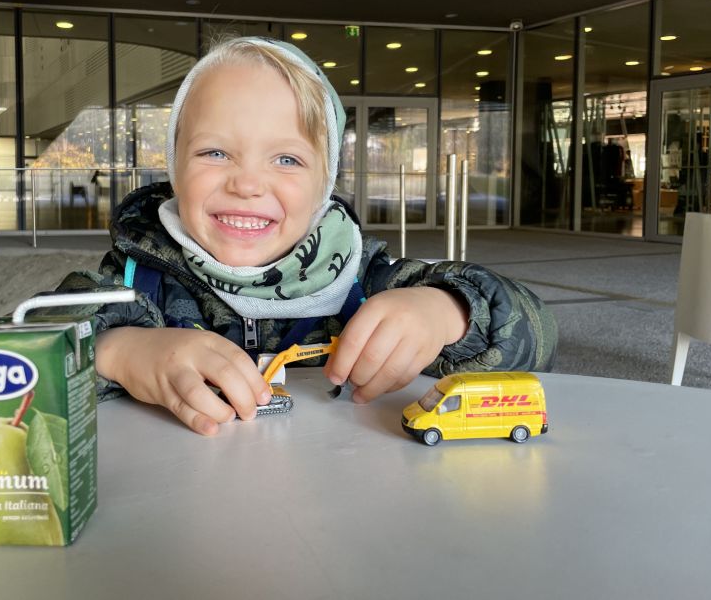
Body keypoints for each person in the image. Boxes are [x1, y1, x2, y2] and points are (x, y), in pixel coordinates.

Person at [55, 37, 557, 435]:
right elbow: (20, 352)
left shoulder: (367, 280)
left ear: (324, 186)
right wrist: (119, 350)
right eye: (214, 153)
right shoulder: (131, 278)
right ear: (175, 169)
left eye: (287, 159)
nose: (247, 183)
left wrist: (448, 312)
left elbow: (540, 340)